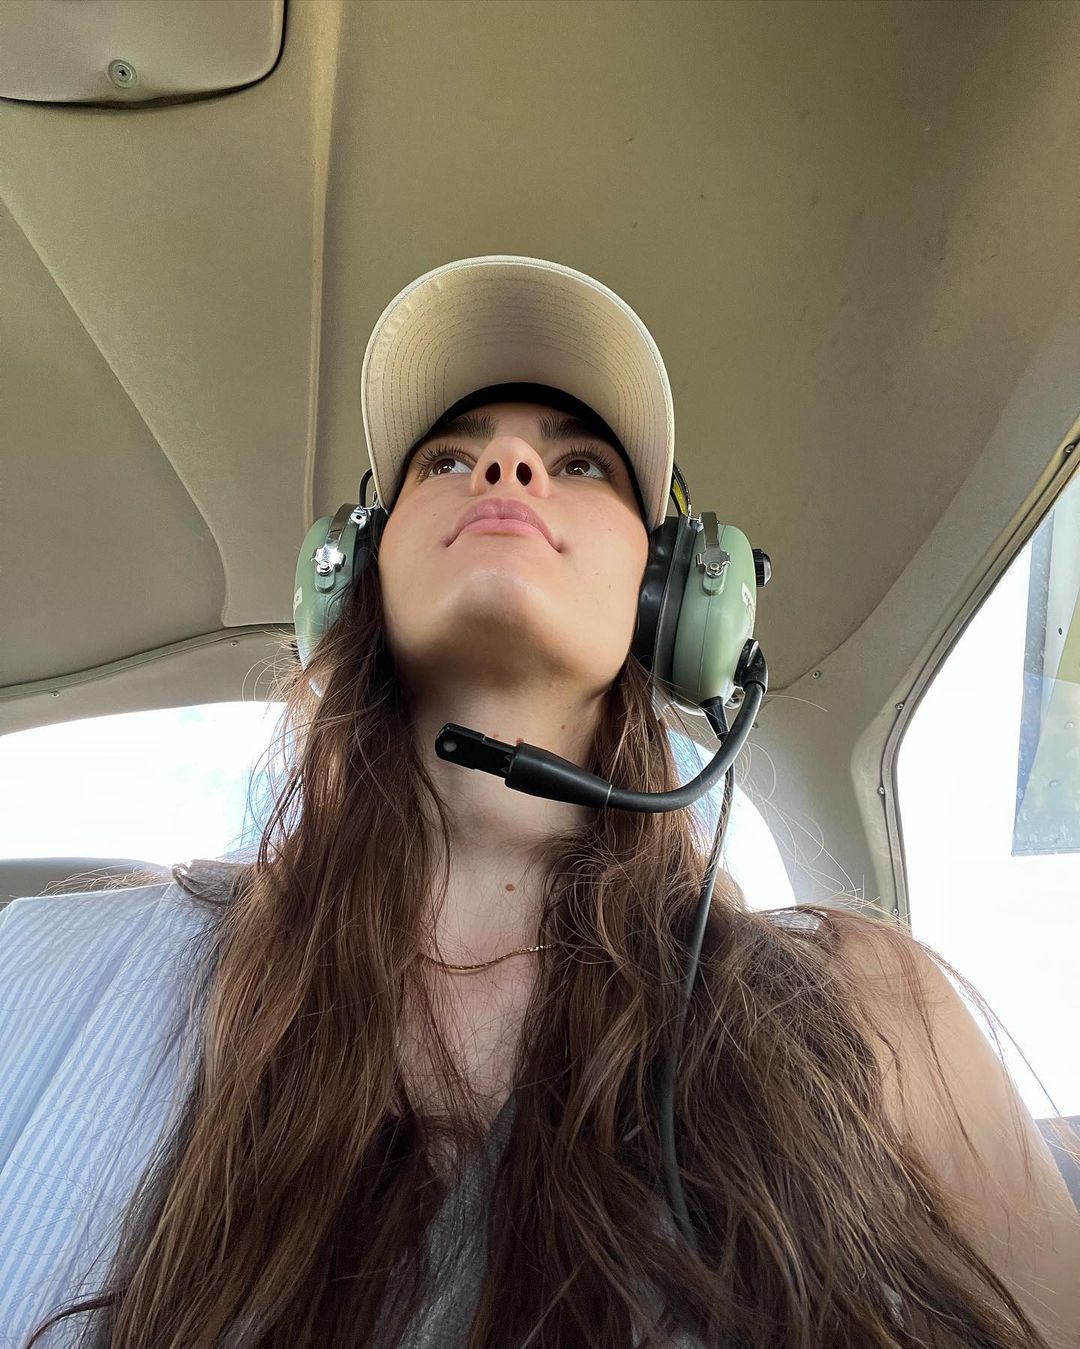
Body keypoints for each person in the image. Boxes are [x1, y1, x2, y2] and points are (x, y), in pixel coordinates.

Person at [14, 257, 1080, 1348]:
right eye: (448, 458)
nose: (508, 464)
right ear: (354, 572)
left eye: (578, 462)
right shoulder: (48, 967)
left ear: (675, 592)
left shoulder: (884, 1018)